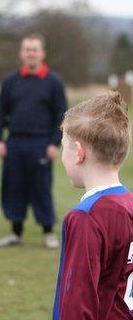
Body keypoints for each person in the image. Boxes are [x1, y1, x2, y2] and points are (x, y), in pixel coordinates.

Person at [53, 92, 133, 319]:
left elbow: (77, 303)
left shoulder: (86, 217)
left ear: (78, 153)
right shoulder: (129, 204)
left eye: (63, 147)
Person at [0, 33, 67, 249]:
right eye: (27, 49)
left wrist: (55, 143)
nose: (31, 53)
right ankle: (15, 232)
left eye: (35, 49)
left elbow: (61, 115)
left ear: (42, 53)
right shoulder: (10, 81)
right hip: (14, 142)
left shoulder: (53, 82)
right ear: (21, 53)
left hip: (41, 144)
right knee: (14, 187)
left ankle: (47, 232)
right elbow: (0, 113)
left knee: (41, 187)